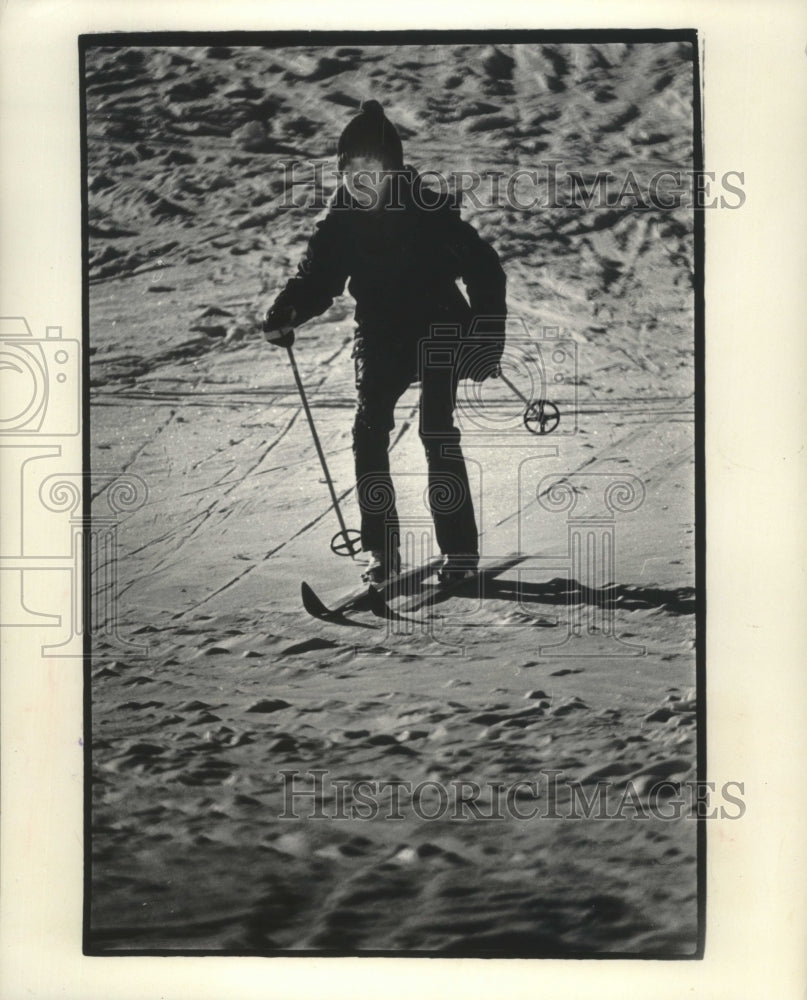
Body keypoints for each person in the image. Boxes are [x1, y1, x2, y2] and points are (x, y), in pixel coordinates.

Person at [263, 99, 507, 584]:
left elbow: (484, 270)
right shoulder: (342, 222)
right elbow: (318, 279)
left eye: (372, 172)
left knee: (435, 431)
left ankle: (459, 552)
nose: (363, 184)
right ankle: (382, 551)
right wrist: (289, 309)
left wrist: (485, 338)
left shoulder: (427, 211)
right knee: (368, 430)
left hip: (438, 325)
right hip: (380, 333)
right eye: (353, 175)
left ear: (393, 171)